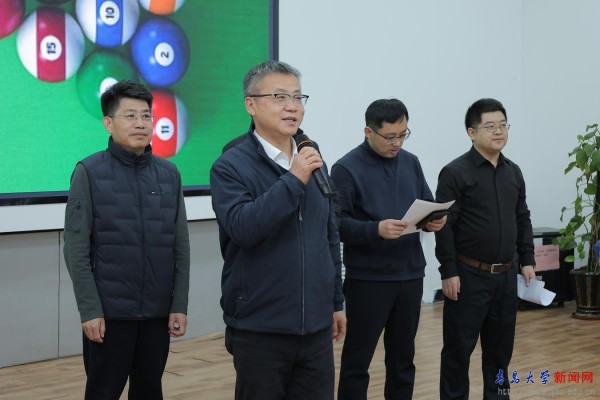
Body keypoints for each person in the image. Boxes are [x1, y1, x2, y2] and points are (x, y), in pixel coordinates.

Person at [210, 60, 346, 400]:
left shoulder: (312, 159)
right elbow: (244, 228)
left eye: (298, 97)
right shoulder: (230, 166)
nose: (292, 106)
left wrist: (335, 301)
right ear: (251, 105)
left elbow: (329, 235)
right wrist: (294, 179)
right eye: (280, 97)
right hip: (260, 327)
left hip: (316, 326)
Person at [63, 80, 190, 400]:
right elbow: (76, 249)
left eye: (146, 116)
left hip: (156, 315)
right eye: (130, 116)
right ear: (109, 123)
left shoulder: (169, 174)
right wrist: (90, 310)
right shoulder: (89, 171)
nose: (140, 124)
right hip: (109, 315)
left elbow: (180, 246)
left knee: (149, 392)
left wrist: (178, 305)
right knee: (103, 393)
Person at [331, 98, 446, 400]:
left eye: (403, 135)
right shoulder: (345, 168)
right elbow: (336, 225)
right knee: (358, 361)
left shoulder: (411, 162)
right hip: (369, 279)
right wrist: (376, 229)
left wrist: (434, 220)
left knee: (403, 360)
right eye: (390, 137)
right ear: (368, 132)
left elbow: (427, 203)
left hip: (410, 274)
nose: (397, 143)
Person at [435, 98, 536, 399]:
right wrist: (448, 271)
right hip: (468, 276)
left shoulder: (513, 172)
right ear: (471, 132)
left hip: (506, 277)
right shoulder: (455, 173)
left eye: (503, 125)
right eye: (490, 126)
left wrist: (527, 259)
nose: (498, 131)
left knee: (500, 353)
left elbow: (522, 217)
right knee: (458, 352)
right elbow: (443, 226)